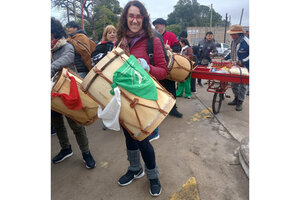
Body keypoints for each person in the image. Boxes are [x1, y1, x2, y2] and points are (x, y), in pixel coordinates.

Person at [116, 0, 167, 196]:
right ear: (125, 18)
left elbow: (163, 71)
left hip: (145, 100)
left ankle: (153, 176)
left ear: (143, 18)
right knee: (128, 137)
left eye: (138, 16)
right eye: (131, 16)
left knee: (143, 141)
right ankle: (135, 169)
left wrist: (147, 67)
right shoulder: (120, 42)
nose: (135, 20)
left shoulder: (152, 40)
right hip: (125, 98)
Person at [51, 17, 96, 169]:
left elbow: (68, 57)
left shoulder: (66, 45)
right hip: (51, 94)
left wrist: (50, 67)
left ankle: (86, 152)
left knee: (76, 124)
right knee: (57, 124)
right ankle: (66, 148)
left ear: (54, 32)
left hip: (68, 90)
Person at [152, 17, 183, 118]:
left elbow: (178, 48)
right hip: (156, 67)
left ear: (164, 25)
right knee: (156, 89)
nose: (157, 27)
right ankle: (158, 109)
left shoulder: (171, 35)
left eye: (159, 24)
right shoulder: (151, 36)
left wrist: (170, 48)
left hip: (169, 68)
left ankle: (173, 109)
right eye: (155, 25)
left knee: (170, 88)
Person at [91, 25, 117, 131]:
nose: (112, 34)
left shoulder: (120, 44)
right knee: (108, 99)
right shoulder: (101, 45)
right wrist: (106, 55)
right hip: (105, 76)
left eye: (114, 32)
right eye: (109, 32)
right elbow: (93, 58)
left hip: (118, 75)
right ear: (105, 35)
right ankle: (108, 121)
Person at [224, 25, 249, 111]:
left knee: (243, 85)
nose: (231, 36)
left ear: (238, 33)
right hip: (234, 66)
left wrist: (243, 61)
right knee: (234, 84)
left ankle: (240, 102)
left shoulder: (246, 42)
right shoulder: (233, 41)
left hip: (245, 67)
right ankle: (236, 98)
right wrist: (225, 57)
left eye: (233, 34)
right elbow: (232, 51)